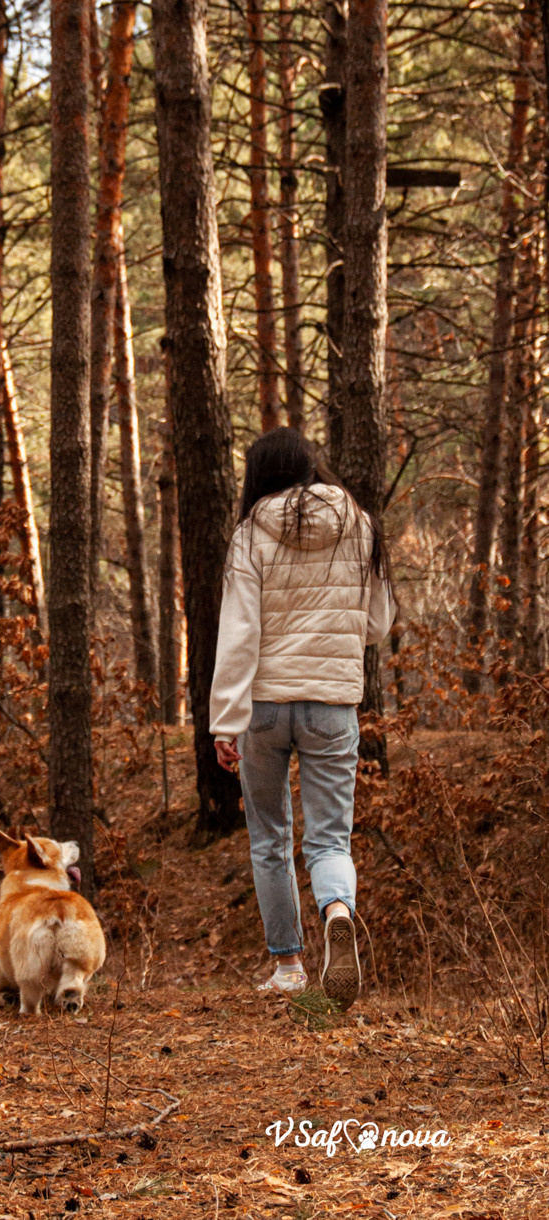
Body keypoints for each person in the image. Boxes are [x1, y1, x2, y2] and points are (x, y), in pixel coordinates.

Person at [210, 428, 396, 1008]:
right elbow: (379, 624)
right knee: (329, 838)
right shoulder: (359, 524)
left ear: (261, 474)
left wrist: (225, 719)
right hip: (333, 706)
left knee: (269, 838)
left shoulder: (249, 535)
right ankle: (337, 909)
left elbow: (239, 634)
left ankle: (288, 965)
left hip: (264, 707)